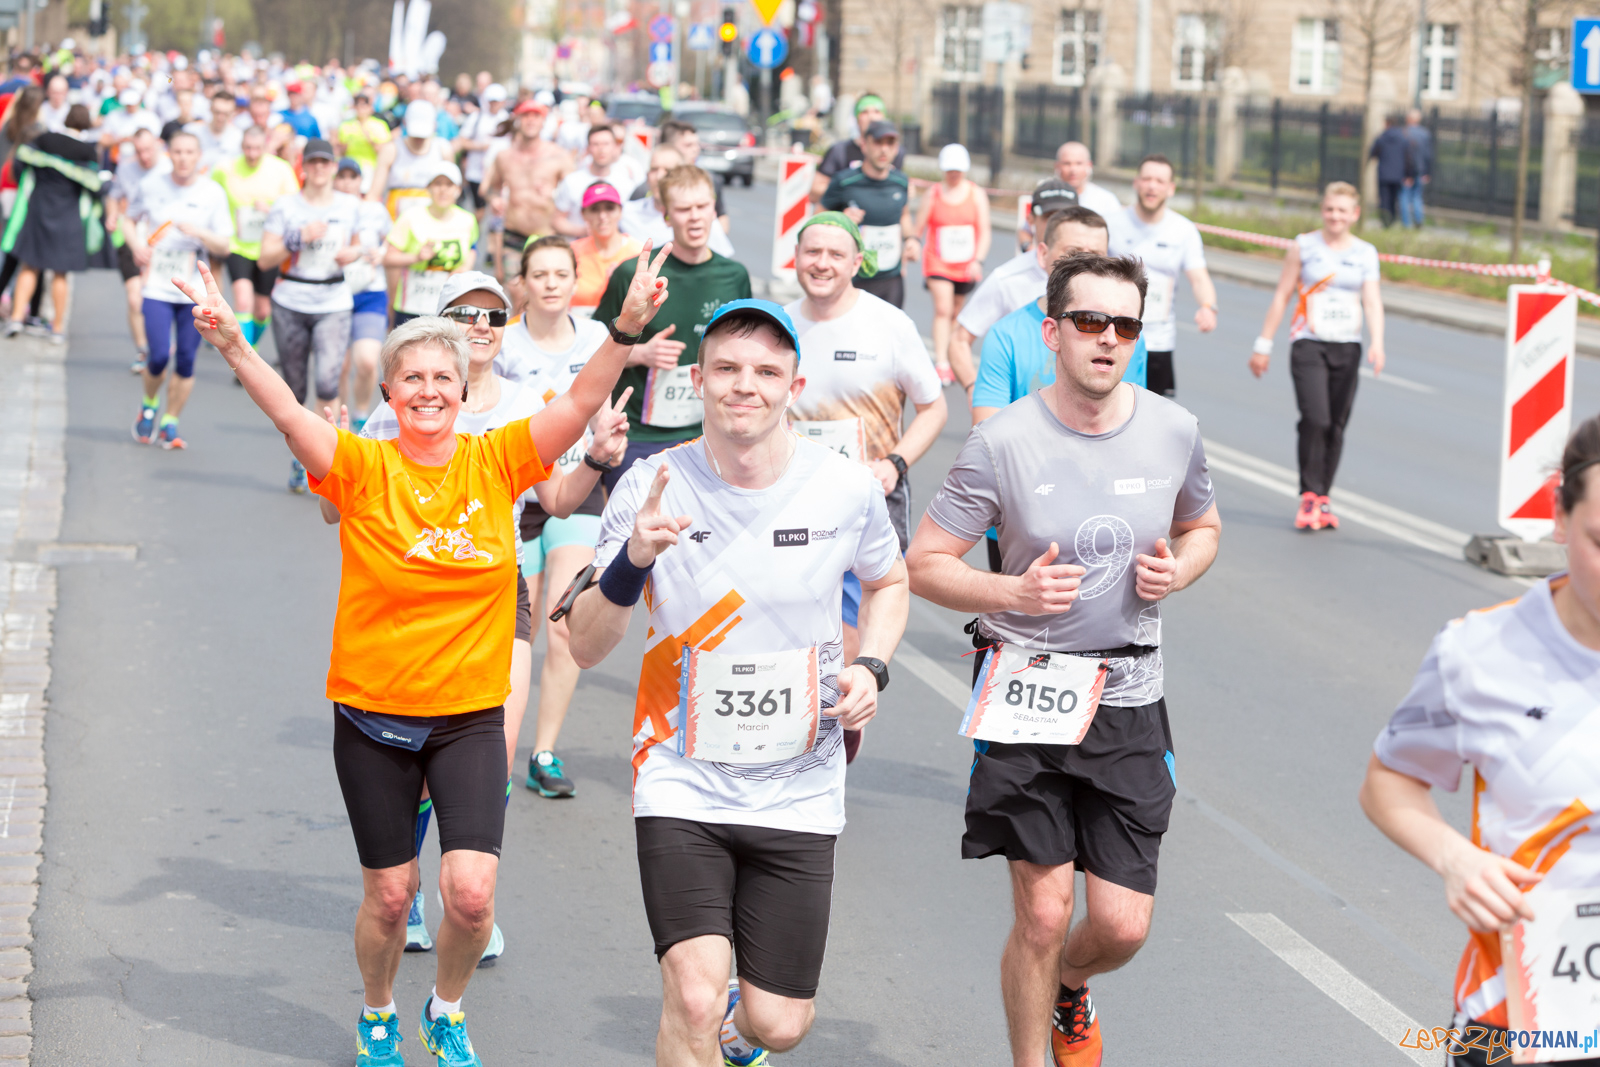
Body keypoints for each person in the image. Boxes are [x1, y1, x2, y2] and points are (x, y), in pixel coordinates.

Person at [176, 237, 672, 1067]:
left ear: (462, 388)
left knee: (470, 896)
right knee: (390, 892)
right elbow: (288, 411)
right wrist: (232, 340)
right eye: (412, 378)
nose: (430, 390)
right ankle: (379, 1011)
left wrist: (621, 328)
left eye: (443, 377)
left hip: (469, 713)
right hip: (373, 714)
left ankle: (445, 1008)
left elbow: (584, 398)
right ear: (391, 394)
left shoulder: (499, 456)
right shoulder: (359, 466)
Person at [565, 298, 910, 1067]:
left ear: (795, 385)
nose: (744, 385)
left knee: (780, 1023)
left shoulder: (844, 487)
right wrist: (633, 562)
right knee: (692, 996)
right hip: (680, 775)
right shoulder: (651, 485)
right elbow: (584, 645)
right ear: (699, 380)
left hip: (800, 783)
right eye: (725, 368)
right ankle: (701, 1026)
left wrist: (873, 665)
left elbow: (890, 582)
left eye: (765, 371)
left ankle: (737, 1033)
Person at [905, 251, 1221, 1067]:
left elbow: (1203, 528)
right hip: (1026, 690)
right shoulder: (1001, 443)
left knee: (1121, 924)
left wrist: (1179, 570)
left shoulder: (1173, 430)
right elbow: (924, 562)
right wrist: (1011, 592)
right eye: (1089, 321)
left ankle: (1069, 985)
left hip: (1128, 695)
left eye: (1125, 325)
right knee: (1043, 915)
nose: (1107, 337)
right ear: (1052, 332)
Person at [325, 268, 631, 951]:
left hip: (499, 591)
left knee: (492, 746)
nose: (482, 327)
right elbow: (340, 501)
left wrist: (597, 460)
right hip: (411, 603)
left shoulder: (525, 401)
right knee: (415, 764)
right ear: (440, 328)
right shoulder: (403, 401)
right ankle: (403, 888)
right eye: (466, 314)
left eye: (494, 316)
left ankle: (467, 898)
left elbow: (558, 500)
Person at [1359, 416, 1600, 1067]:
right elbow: (1388, 780)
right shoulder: (1482, 651)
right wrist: (1456, 859)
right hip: (1517, 1022)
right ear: (1559, 515)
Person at [785, 212, 946, 763]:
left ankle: (837, 728)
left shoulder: (888, 324)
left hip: (869, 494)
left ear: (857, 262)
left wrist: (896, 462)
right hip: (795, 495)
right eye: (812, 252)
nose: (822, 264)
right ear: (796, 257)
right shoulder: (781, 325)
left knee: (852, 623)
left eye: (835, 254)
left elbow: (933, 408)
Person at [497, 236, 616, 797]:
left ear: (575, 280)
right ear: (522, 282)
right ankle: (495, 748)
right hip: (519, 493)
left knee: (564, 621)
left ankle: (543, 752)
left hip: (578, 488)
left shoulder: (594, 337)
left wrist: (605, 443)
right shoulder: (501, 341)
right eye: (538, 274)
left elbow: (601, 407)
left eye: (560, 274)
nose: (550, 284)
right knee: (514, 632)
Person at [593, 164, 751, 491]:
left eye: (702, 206)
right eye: (683, 209)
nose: (694, 217)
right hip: (639, 434)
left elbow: (745, 353)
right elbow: (590, 351)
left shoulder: (734, 276)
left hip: (708, 433)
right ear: (666, 216)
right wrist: (641, 353)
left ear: (714, 210)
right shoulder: (634, 275)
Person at [1248, 181, 1385, 532]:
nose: (1335, 216)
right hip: (1308, 342)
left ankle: (1323, 497)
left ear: (1355, 214)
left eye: (1342, 211)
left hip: (1347, 345)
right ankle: (1308, 493)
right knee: (1316, 418)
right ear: (1322, 211)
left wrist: (1377, 342)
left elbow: (1372, 300)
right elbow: (1282, 295)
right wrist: (1263, 344)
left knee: (1336, 424)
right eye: (1329, 209)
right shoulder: (1304, 246)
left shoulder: (1365, 252)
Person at [973, 208, 1149, 423]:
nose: (1084, 265)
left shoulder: (1125, 334)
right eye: (1073, 253)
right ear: (1043, 254)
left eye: (1096, 255)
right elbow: (989, 428)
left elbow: (1133, 418)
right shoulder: (1006, 334)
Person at [259, 137, 365, 492]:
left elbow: (362, 243)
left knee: (327, 383)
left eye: (325, 162)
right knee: (295, 389)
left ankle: (329, 460)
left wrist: (353, 253)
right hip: (291, 300)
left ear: (334, 167)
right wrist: (298, 237)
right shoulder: (286, 206)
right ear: (303, 167)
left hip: (333, 301)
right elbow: (265, 258)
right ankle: (301, 454)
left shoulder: (350, 205)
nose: (319, 168)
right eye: (313, 162)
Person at [126, 130, 234, 449]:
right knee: (159, 355)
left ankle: (170, 422)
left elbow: (225, 245)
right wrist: (136, 247)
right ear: (168, 154)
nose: (184, 158)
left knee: (186, 359)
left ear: (199, 156)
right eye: (178, 152)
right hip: (158, 285)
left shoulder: (212, 192)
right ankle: (149, 404)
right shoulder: (151, 185)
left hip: (194, 289)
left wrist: (200, 232)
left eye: (190, 152)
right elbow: (128, 219)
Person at [947, 179, 1080, 394]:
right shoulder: (1007, 279)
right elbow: (959, 340)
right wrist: (975, 391)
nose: (1057, 225)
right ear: (1030, 219)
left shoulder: (1096, 276)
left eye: (1066, 217)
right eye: (1049, 217)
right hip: (1021, 405)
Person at [1106, 154, 1217, 398]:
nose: (1152, 186)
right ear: (1136, 183)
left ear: (1171, 188)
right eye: (1147, 179)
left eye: (1159, 181)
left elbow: (1199, 277)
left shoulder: (1184, 230)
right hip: (1114, 336)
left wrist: (1208, 306)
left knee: (1153, 414)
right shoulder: (1111, 224)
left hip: (1158, 341)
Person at [1, 104, 102, 344]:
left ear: (66, 119)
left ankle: (16, 318)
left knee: (29, 265)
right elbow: (95, 188)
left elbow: (20, 164)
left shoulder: (46, 139)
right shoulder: (88, 152)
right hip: (68, 215)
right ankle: (57, 328)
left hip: (38, 209)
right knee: (60, 273)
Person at [214, 125, 301, 348]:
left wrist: (270, 210)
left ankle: (251, 349)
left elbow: (295, 208)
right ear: (241, 146)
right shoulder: (226, 169)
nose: (252, 154)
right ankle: (242, 355)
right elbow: (210, 196)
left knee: (262, 311)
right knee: (243, 301)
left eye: (257, 148)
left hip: (268, 248)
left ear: (265, 146)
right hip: (238, 245)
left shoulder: (281, 169)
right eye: (247, 148)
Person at [914, 142, 989, 385]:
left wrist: (978, 260)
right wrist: (913, 242)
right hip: (938, 262)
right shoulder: (933, 194)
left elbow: (984, 231)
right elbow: (919, 227)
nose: (954, 174)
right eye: (950, 170)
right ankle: (942, 363)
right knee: (943, 309)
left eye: (957, 170)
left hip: (965, 264)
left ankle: (950, 354)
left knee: (957, 313)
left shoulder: (976, 194)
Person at [820, 120, 914, 308]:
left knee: (890, 327)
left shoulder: (901, 182)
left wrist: (911, 239)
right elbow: (818, 217)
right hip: (854, 278)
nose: (884, 149)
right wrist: (842, 219)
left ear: (896, 148)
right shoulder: (844, 181)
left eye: (890, 143)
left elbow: (904, 214)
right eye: (878, 142)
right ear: (864, 145)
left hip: (891, 277)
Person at [335, 156, 393, 429]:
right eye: (342, 177)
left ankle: (360, 414)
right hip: (334, 294)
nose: (347, 183)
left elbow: (392, 241)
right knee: (340, 366)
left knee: (368, 362)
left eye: (352, 177)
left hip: (370, 292)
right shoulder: (326, 209)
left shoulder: (374, 210)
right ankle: (340, 420)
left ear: (360, 181)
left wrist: (381, 253)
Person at [384, 160, 477, 326]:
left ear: (458, 190)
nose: (443, 190)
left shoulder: (467, 220)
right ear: (428, 188)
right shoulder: (410, 217)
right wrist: (416, 257)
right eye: (438, 184)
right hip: (412, 306)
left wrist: (464, 268)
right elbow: (388, 259)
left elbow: (472, 248)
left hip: (450, 306)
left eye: (449, 184)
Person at [107, 128, 169, 373]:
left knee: (157, 295)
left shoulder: (169, 167)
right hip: (131, 234)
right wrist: (112, 214)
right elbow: (114, 196)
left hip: (161, 240)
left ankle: (161, 342)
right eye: (139, 151)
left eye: (148, 150)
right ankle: (143, 350)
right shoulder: (126, 168)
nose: (144, 156)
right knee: (135, 297)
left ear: (158, 145)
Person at [478, 99, 571, 256]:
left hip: (546, 235)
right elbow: (491, 189)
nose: (531, 120)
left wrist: (555, 194)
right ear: (517, 121)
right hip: (513, 234)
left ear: (543, 121)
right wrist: (494, 199)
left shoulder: (559, 156)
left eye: (536, 116)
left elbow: (575, 196)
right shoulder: (504, 156)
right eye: (525, 115)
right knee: (510, 273)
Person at [620, 145, 735, 258]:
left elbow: (723, 263)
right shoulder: (625, 214)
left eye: (668, 171)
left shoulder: (701, 220)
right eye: (654, 169)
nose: (659, 177)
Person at [809, 92, 907, 203]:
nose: (871, 117)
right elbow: (814, 192)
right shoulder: (840, 150)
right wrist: (849, 191)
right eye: (864, 112)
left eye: (877, 111)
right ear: (856, 118)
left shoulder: (895, 151)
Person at [551, 122, 643, 236]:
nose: (601, 149)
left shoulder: (626, 182)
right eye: (596, 144)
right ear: (588, 148)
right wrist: (583, 232)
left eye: (606, 144)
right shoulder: (571, 182)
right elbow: (556, 220)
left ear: (615, 146)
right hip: (579, 244)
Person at [369, 99, 455, 220]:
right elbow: (373, 194)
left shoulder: (443, 149)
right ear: (404, 123)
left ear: (435, 126)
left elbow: (452, 193)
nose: (419, 139)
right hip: (396, 223)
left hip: (432, 224)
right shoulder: (391, 150)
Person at [568, 181, 642, 317]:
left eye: (609, 208)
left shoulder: (638, 253)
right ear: (583, 214)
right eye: (594, 209)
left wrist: (619, 283)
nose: (602, 216)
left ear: (620, 211)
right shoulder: (570, 252)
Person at [645, 119, 731, 233]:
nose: (696, 149)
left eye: (697, 144)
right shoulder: (646, 188)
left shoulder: (709, 181)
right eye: (688, 145)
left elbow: (722, 217)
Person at [335, 92, 393, 184]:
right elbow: (339, 152)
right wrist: (343, 147)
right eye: (358, 104)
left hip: (371, 168)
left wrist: (371, 141)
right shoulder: (345, 125)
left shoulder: (380, 125)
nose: (361, 108)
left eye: (364, 104)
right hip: (350, 168)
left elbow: (385, 152)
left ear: (370, 107)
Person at [1368, 115, 1409, 228]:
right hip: (1398, 174)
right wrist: (1408, 174)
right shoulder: (1403, 138)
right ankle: (1393, 220)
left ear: (1387, 123)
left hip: (1384, 173)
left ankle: (1385, 221)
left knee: (1384, 198)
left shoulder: (1382, 137)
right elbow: (1408, 157)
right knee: (1395, 198)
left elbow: (1373, 153)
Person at [188, 88, 241, 172]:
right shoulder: (192, 132)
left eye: (226, 114)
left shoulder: (238, 137)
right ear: (210, 108)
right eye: (217, 112)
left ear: (233, 113)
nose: (221, 117)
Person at [1400, 108, 1432, 229]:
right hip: (1420, 170)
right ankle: (1418, 220)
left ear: (1408, 119)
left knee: (1404, 197)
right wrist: (1427, 172)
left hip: (1405, 171)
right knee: (1417, 196)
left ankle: (1406, 223)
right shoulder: (1425, 134)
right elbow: (1428, 155)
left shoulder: (1403, 132)